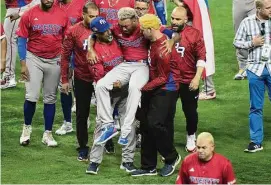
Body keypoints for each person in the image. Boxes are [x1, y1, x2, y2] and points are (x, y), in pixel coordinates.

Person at [88, 7, 150, 146]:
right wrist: (90, 49)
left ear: (135, 21)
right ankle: (109, 125)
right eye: (121, 25)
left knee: (134, 89)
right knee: (101, 86)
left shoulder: (144, 27)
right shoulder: (116, 29)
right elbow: (94, 34)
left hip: (142, 66)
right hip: (126, 65)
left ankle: (126, 130)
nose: (123, 29)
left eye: (126, 26)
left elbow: (168, 32)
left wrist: (171, 41)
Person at [131, 14, 181, 177]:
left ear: (150, 29)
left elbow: (163, 77)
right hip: (155, 86)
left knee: (155, 123)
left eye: (143, 30)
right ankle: (148, 166)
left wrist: (143, 88)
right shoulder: (157, 39)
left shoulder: (162, 49)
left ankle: (171, 157)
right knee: (145, 125)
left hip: (166, 88)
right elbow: (175, 33)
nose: (140, 33)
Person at [85, 17, 137, 174]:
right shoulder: (93, 55)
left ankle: (127, 161)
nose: (108, 32)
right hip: (107, 92)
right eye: (103, 32)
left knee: (130, 124)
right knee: (102, 125)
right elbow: (101, 79)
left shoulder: (114, 37)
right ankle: (94, 161)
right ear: (96, 34)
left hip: (124, 89)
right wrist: (90, 48)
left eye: (108, 29)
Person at [17, 0, 70, 147]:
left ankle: (48, 134)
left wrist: (67, 62)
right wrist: (23, 63)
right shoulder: (29, 14)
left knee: (50, 97)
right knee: (31, 96)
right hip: (34, 58)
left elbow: (67, 41)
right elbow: (21, 40)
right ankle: (26, 130)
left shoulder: (62, 15)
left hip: (55, 59)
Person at [61, 2, 99, 160]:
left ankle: (105, 142)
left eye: (97, 16)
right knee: (82, 114)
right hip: (82, 76)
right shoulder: (73, 31)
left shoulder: (103, 29)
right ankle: (83, 146)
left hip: (100, 78)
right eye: (91, 16)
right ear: (83, 15)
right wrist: (64, 79)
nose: (94, 20)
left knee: (105, 113)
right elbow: (65, 55)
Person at [233, 0, 271, 153]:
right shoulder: (247, 23)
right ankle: (256, 142)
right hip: (255, 69)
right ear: (259, 8)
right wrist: (252, 43)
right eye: (268, 8)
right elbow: (236, 42)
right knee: (255, 107)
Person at [170, 7, 206, 152]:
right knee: (167, 112)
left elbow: (202, 57)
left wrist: (197, 78)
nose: (173, 21)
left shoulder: (194, 34)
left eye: (177, 19)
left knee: (190, 112)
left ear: (185, 19)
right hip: (170, 80)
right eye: (172, 18)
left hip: (188, 80)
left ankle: (191, 136)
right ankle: (167, 140)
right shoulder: (165, 32)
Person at [55, 0, 87, 136]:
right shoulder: (53, 4)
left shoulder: (81, 3)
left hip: (79, 51)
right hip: (58, 50)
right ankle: (67, 122)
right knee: (64, 86)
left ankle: (83, 119)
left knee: (80, 87)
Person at [173, 0, 216, 100]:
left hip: (193, 21)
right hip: (192, 19)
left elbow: (183, 6)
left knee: (199, 53)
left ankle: (208, 90)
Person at [1, 0, 40, 89]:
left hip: (17, 7)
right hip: (22, 7)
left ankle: (8, 78)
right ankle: (28, 75)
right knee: (26, 41)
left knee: (9, 41)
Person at [233, 0, 256, 80]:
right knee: (239, 33)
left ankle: (257, 64)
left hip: (255, 2)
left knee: (257, 31)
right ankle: (243, 67)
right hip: (239, 2)